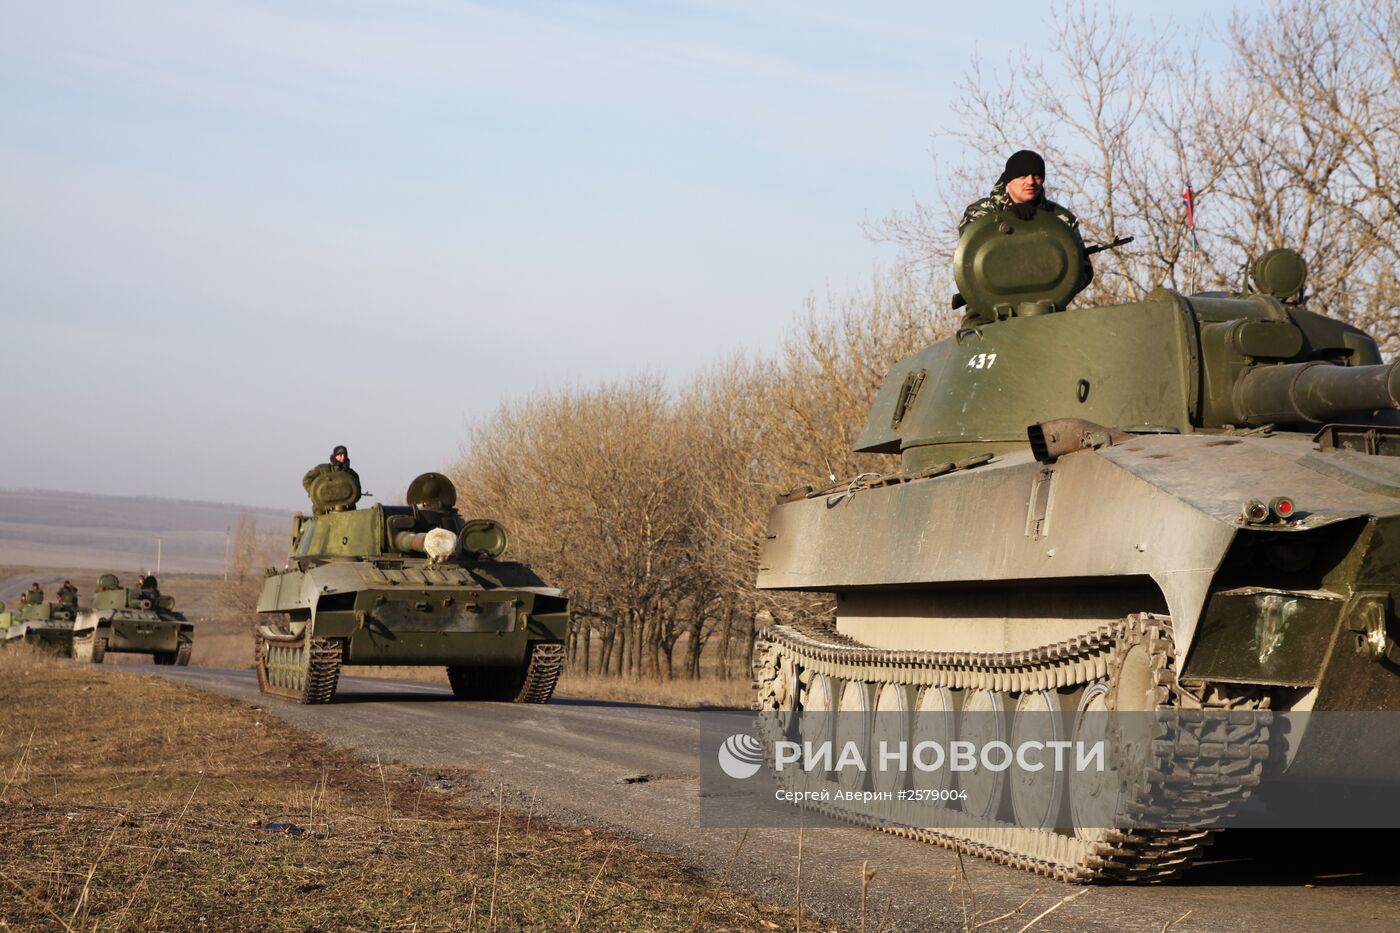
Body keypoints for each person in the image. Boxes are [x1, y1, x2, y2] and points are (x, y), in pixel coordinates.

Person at [960, 149, 1092, 287]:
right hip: (990, 302)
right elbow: (969, 250)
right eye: (1022, 176)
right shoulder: (981, 211)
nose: (1030, 182)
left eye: (1037, 176)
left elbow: (1085, 271)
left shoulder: (1060, 219)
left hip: (1046, 303)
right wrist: (1009, 219)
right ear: (1009, 180)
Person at [302, 444, 362, 514]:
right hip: (323, 510)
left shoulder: (352, 475)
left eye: (345, 455)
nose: (343, 458)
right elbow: (306, 480)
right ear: (335, 456)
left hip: (347, 511)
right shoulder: (323, 470)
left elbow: (357, 494)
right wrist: (314, 493)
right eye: (340, 455)